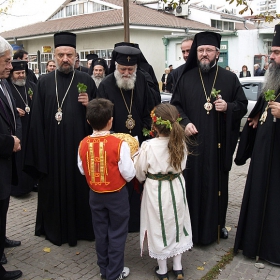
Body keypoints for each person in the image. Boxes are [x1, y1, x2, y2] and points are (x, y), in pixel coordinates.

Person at [171, 31, 247, 245]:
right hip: (193, 146)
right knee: (192, 186)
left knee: (216, 186)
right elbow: (175, 105)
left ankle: (217, 226)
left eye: (208, 50)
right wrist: (184, 123)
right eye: (201, 50)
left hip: (217, 146)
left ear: (217, 53)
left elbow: (241, 106)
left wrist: (228, 107)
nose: (204, 54)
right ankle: (190, 228)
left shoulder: (230, 78)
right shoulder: (185, 78)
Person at [23, 31, 97, 246]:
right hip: (52, 149)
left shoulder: (86, 80)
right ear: (54, 56)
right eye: (61, 54)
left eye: (69, 55)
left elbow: (99, 119)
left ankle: (81, 229)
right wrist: (39, 152)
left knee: (79, 189)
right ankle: (53, 229)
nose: (65, 59)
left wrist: (89, 105)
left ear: (76, 57)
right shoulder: (44, 82)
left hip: (78, 148)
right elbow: (36, 120)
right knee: (52, 190)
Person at [234, 24, 280, 265]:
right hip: (264, 155)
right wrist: (256, 115)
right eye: (272, 51)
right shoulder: (273, 78)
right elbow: (263, 105)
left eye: (277, 52)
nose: (271, 56)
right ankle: (254, 246)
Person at [97, 45, 153, 232]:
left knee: (138, 182)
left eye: (131, 70)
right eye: (123, 69)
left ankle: (136, 222)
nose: (127, 73)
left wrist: (145, 136)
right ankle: (119, 222)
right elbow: (102, 118)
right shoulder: (105, 85)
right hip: (115, 145)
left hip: (140, 143)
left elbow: (148, 110)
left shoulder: (142, 82)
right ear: (116, 67)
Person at [78, 98, 135, 280]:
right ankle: (115, 273)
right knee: (117, 233)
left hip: (95, 194)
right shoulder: (120, 144)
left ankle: (104, 269)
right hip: (116, 195)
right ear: (111, 120)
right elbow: (128, 174)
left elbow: (81, 168)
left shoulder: (83, 143)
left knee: (100, 233)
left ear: (88, 121)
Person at [134, 103, 193, 280]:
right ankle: (178, 267)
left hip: (156, 189)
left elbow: (139, 172)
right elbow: (182, 165)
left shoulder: (148, 146)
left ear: (155, 125)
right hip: (176, 186)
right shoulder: (181, 142)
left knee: (158, 224)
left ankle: (162, 270)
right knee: (178, 221)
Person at [0, 35, 23, 280]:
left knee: (3, 207)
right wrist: (10, 141)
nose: (11, 66)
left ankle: (2, 238)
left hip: (4, 162)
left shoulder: (3, 82)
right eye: (6, 61)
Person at [7, 60, 36, 196]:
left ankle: (31, 184)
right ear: (12, 74)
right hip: (16, 129)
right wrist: (14, 110)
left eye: (23, 73)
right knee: (18, 159)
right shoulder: (7, 87)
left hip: (31, 127)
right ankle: (17, 188)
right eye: (17, 73)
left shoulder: (32, 86)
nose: (20, 76)